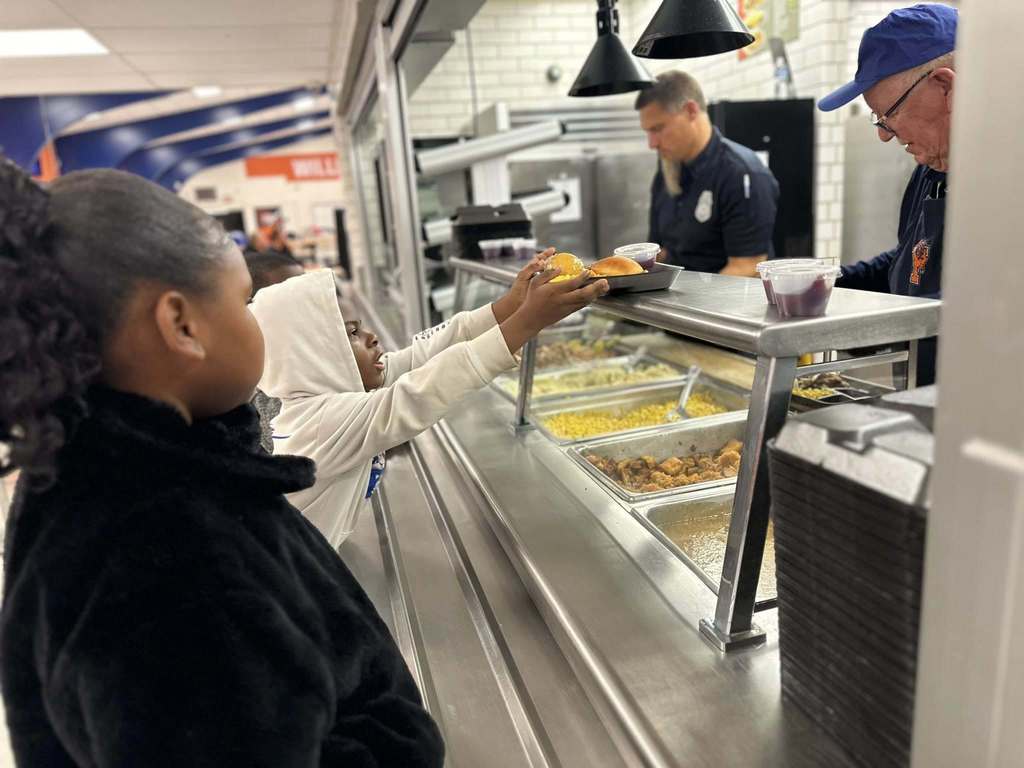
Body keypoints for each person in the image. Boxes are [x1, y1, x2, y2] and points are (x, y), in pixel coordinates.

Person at [0, 160, 445, 767]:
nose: (256, 321)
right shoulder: (169, 562)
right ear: (181, 324)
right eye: (243, 299)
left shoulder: (91, 476)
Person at [250, 252, 608, 548]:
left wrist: (510, 306)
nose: (373, 337)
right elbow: (422, 389)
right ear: (314, 355)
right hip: (290, 574)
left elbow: (423, 355)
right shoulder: (316, 423)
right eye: (353, 333)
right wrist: (529, 319)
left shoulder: (328, 390)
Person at [818, 3, 956, 385]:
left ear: (944, 87)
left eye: (889, 114)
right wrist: (829, 284)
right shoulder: (930, 172)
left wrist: (875, 318)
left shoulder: (1006, 179)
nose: (883, 134)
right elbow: (914, 262)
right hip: (918, 401)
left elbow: (995, 306)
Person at [635, 71, 780, 276]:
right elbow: (661, 252)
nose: (652, 144)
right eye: (647, 132)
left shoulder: (742, 174)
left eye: (658, 129)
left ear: (691, 111)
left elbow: (746, 267)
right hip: (676, 298)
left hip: (724, 304)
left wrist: (686, 306)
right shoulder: (668, 169)